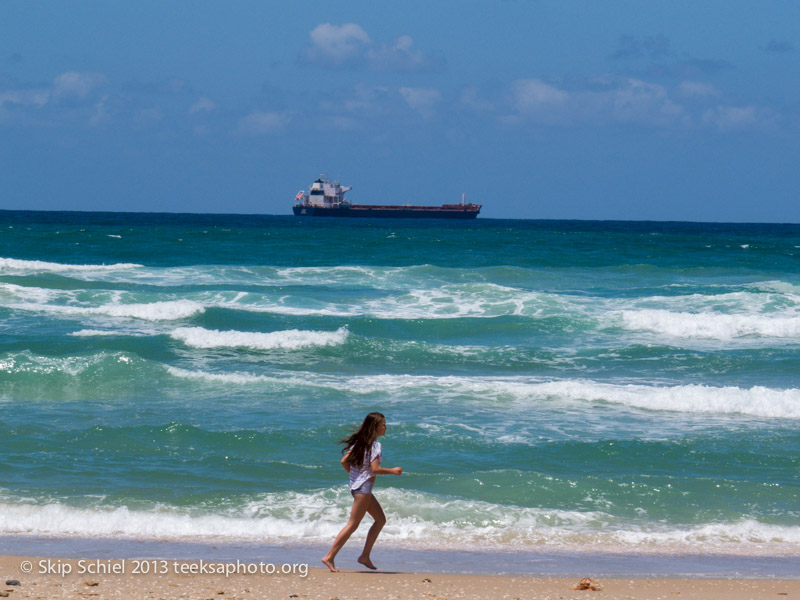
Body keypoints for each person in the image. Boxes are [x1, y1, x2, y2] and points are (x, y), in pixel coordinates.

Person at [322, 412, 402, 573]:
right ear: (375, 427)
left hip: (358, 487)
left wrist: (354, 476)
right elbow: (375, 469)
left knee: (380, 520)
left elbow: (344, 461)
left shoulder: (361, 443)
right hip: (363, 489)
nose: (386, 427)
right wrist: (393, 471)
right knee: (353, 524)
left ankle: (365, 556)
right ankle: (329, 556)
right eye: (383, 424)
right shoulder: (375, 446)